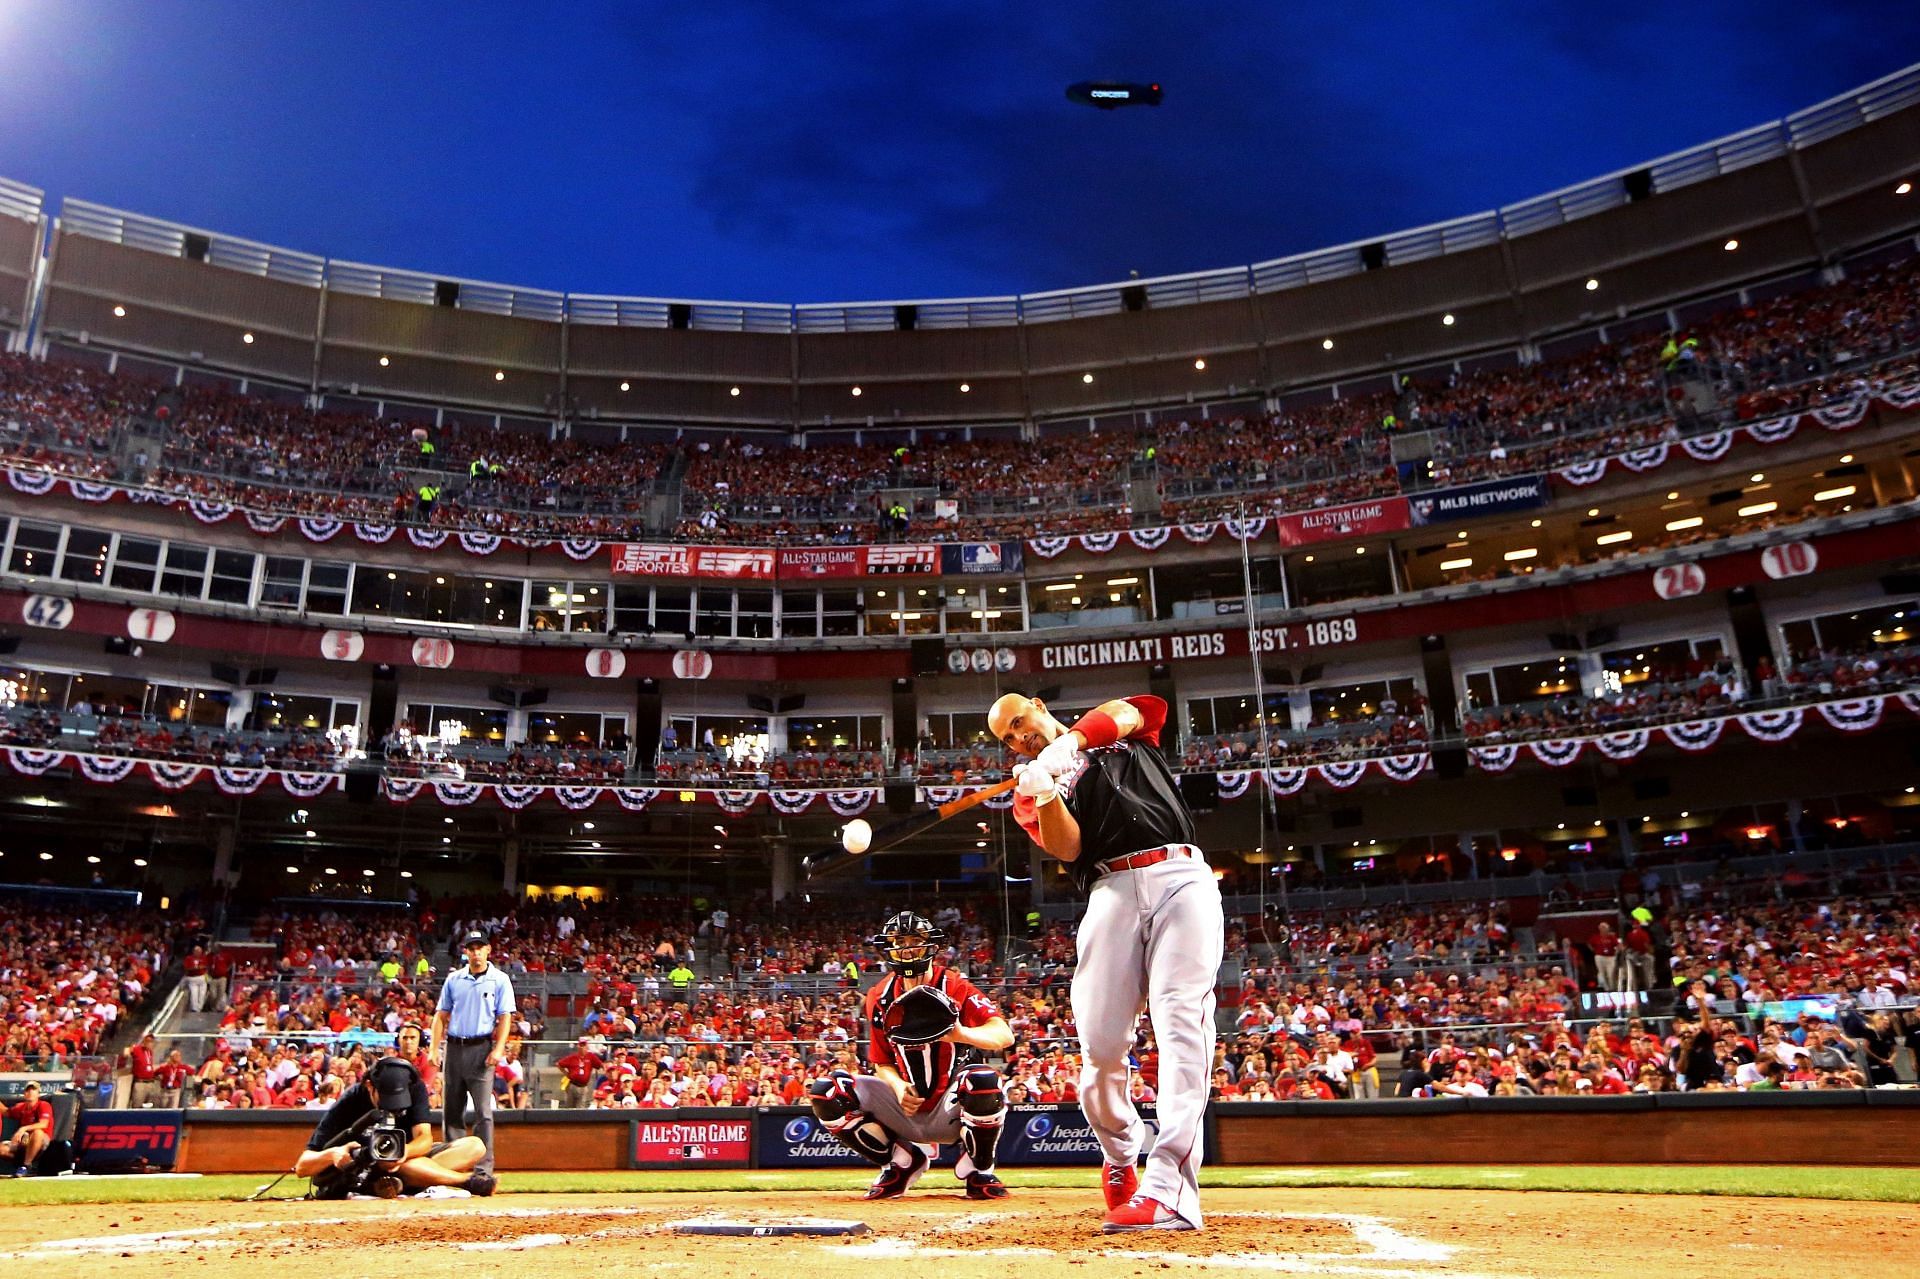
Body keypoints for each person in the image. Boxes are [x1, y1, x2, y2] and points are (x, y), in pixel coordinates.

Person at [987, 692, 1223, 1233]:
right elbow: (1068, 849)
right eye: (1009, 739)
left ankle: (1170, 1189)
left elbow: (1135, 710)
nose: (1020, 738)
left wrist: (1068, 746)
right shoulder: (1029, 788)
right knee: (1100, 1045)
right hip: (1109, 887)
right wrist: (1044, 792)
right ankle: (1121, 1155)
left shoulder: (1117, 731)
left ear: (1040, 707)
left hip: (1180, 874)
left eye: (1020, 723)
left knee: (1181, 1019)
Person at [807, 912, 1013, 1201]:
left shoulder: (955, 986)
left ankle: (979, 1169)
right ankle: (900, 1163)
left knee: (983, 1079)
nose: (906, 948)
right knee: (827, 1091)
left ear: (931, 946)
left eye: (914, 940)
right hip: (904, 1105)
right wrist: (898, 1086)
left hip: (949, 1104)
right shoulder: (878, 995)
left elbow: (1004, 1035)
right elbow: (881, 1062)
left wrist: (961, 1034)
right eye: (899, 941)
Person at [293, 1056, 493, 1198]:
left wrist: (402, 1153)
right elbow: (302, 1167)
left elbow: (424, 1138)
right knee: (406, 1167)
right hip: (371, 1167)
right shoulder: (349, 1101)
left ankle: (405, 1180)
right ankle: (466, 1181)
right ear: (370, 1086)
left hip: (408, 1160)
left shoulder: (416, 1088)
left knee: (476, 1145)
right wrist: (332, 1154)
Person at [430, 931, 514, 1175]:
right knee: (451, 1110)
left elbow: (505, 1017)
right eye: (471, 948)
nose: (476, 952)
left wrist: (499, 1048)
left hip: (481, 1048)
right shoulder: (455, 979)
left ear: (488, 949)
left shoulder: (499, 979)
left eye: (480, 947)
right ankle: (453, 1167)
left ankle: (482, 1169)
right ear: (466, 951)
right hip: (455, 1047)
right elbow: (440, 1016)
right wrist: (434, 1047)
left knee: (483, 1112)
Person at [0, 1082, 54, 1175]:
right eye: (28, 1090)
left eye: (33, 1090)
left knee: (38, 1133)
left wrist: (23, 1129)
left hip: (41, 1141)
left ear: (38, 1093)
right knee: (2, 1149)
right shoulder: (21, 1107)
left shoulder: (43, 1105)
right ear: (24, 1093)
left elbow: (43, 1124)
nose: (30, 1092)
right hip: (23, 1141)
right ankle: (21, 1166)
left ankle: (27, 1165)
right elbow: (6, 1112)